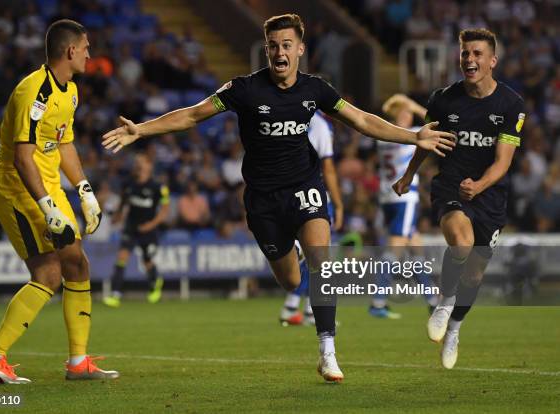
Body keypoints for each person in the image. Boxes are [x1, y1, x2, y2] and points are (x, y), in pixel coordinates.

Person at [102, 14, 455, 383]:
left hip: (305, 187)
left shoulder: (315, 90)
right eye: (273, 46)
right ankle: (295, 262)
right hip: (263, 201)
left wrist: (412, 137)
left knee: (322, 264)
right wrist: (140, 130)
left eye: (287, 45)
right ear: (266, 49)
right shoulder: (244, 89)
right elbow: (192, 115)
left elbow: (363, 120)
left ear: (300, 49)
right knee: (289, 280)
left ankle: (328, 351)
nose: (279, 52)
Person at [0, 19, 118, 384]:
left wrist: (84, 190)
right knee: (48, 273)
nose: (89, 54)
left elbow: (63, 143)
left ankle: (78, 362)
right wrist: (48, 207)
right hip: (18, 189)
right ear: (71, 51)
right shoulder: (32, 92)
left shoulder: (69, 91)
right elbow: (23, 158)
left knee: (77, 265)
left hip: (50, 188)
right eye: (86, 47)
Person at [394, 29, 525, 369]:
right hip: (451, 186)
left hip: (489, 195)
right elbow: (426, 142)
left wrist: (479, 186)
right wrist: (409, 175)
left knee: (475, 275)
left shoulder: (511, 105)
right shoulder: (443, 99)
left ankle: (454, 328)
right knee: (461, 243)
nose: (469, 59)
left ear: (492, 61)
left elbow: (503, 162)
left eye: (477, 54)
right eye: (466, 53)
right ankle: (444, 301)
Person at [368, 94, 439, 319]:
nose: (408, 116)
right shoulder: (410, 135)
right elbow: (435, 121)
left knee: (415, 248)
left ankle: (433, 301)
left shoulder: (382, 137)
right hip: (404, 198)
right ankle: (378, 302)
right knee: (395, 249)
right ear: (396, 117)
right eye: (404, 113)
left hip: (387, 198)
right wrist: (414, 106)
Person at [279, 111, 343, 326]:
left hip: (284, 191)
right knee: (318, 254)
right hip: (313, 193)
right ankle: (309, 309)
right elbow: (328, 167)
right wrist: (338, 202)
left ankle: (294, 306)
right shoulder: (321, 126)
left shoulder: (288, 114)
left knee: (311, 254)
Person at [103, 154, 170, 307]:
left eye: (142, 162)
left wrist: (151, 225)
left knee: (147, 261)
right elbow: (123, 202)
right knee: (121, 258)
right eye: (137, 162)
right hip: (131, 227)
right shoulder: (128, 184)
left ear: (149, 166)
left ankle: (154, 285)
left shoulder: (158, 187)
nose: (139, 165)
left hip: (148, 229)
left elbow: (164, 210)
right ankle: (115, 294)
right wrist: (118, 216)